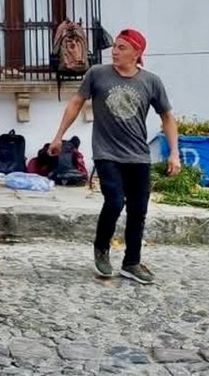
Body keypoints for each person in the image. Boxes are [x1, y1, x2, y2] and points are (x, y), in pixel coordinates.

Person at [49, 28, 180, 285]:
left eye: (122, 48)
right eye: (115, 46)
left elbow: (167, 116)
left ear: (137, 53)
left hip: (138, 155)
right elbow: (76, 103)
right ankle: (101, 248)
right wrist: (59, 136)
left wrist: (174, 153)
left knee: (138, 210)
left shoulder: (151, 81)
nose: (115, 51)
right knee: (114, 201)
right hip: (106, 152)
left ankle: (132, 262)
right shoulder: (97, 74)